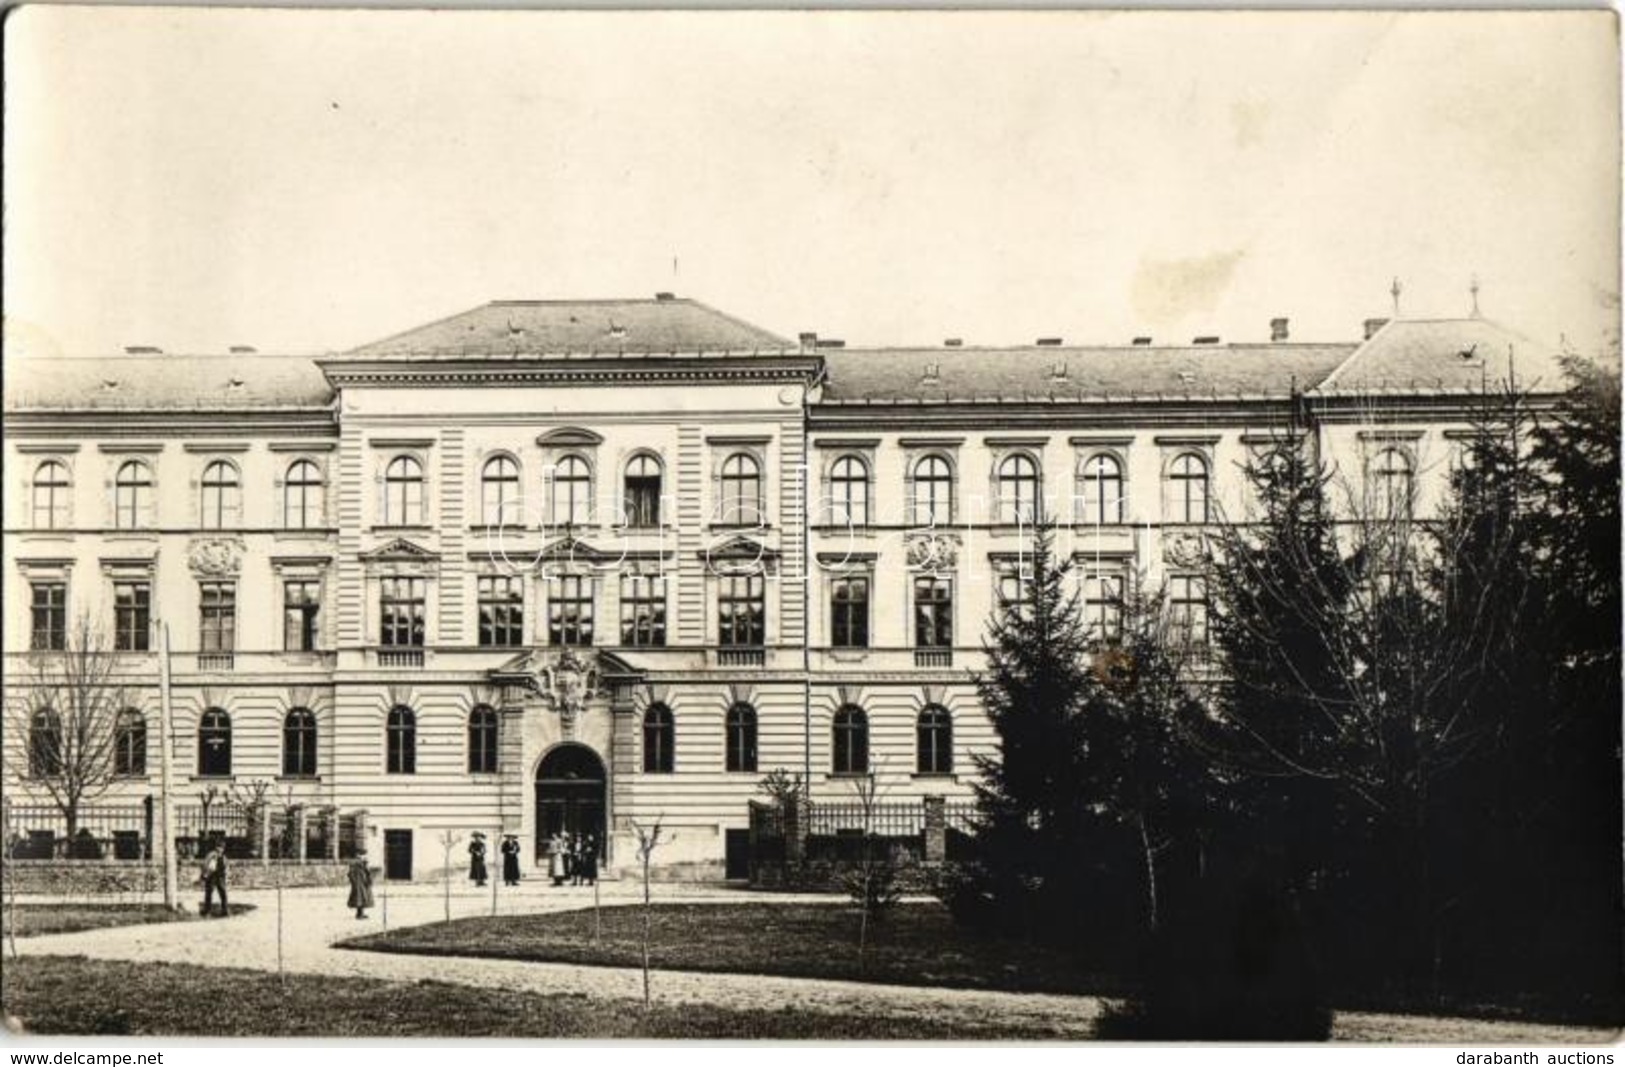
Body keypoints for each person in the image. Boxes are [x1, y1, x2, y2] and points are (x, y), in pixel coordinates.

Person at [199, 840, 229, 917]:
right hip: (211, 876)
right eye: (219, 847)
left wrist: (226, 876)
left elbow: (226, 867)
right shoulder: (211, 855)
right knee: (209, 893)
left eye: (222, 848)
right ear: (216, 847)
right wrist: (204, 875)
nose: (220, 849)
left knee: (223, 893)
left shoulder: (224, 857)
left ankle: (224, 910)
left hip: (220, 876)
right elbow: (205, 864)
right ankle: (207, 910)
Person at [347, 849, 375, 919]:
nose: (364, 857)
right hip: (358, 883)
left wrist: (368, 880)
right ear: (358, 855)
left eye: (364, 855)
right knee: (359, 898)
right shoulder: (355, 863)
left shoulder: (363, 863)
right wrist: (354, 882)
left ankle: (361, 913)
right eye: (362, 855)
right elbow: (350, 874)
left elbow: (367, 873)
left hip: (363, 882)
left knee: (363, 898)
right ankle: (359, 914)